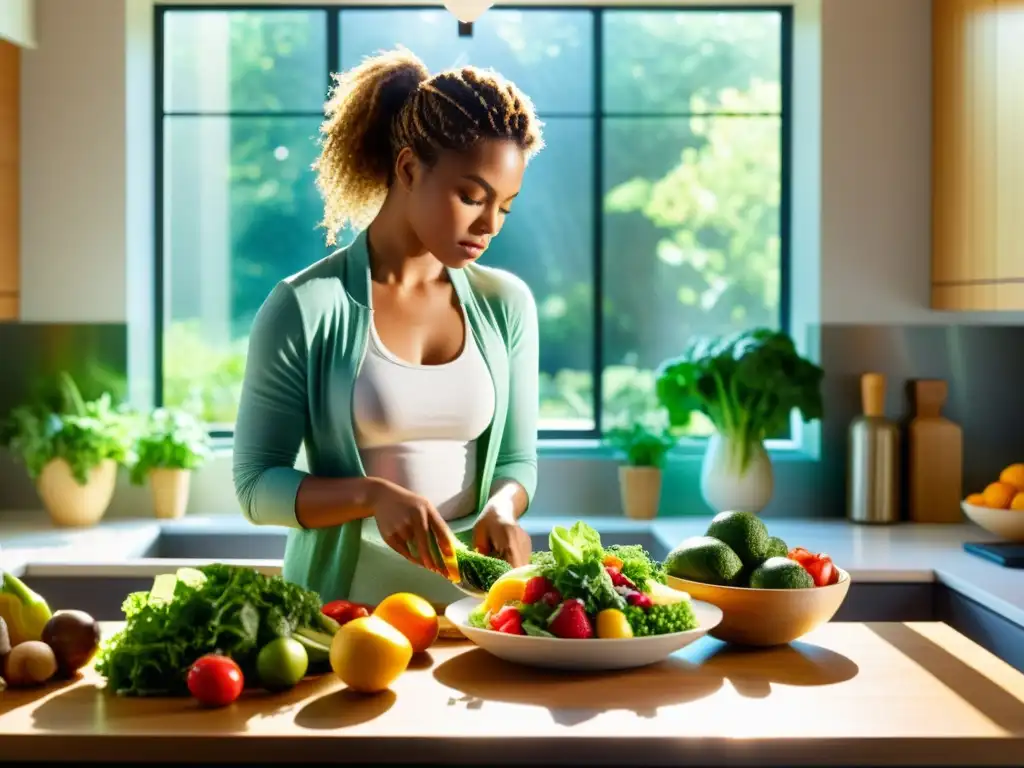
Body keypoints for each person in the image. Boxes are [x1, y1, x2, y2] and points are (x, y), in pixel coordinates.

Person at [232, 47, 544, 607]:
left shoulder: (507, 305)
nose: (489, 225)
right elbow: (256, 487)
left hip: (476, 617)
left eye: (506, 206)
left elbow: (518, 461)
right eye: (471, 196)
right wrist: (372, 495)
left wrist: (502, 507)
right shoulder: (305, 306)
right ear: (407, 168)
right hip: (346, 618)